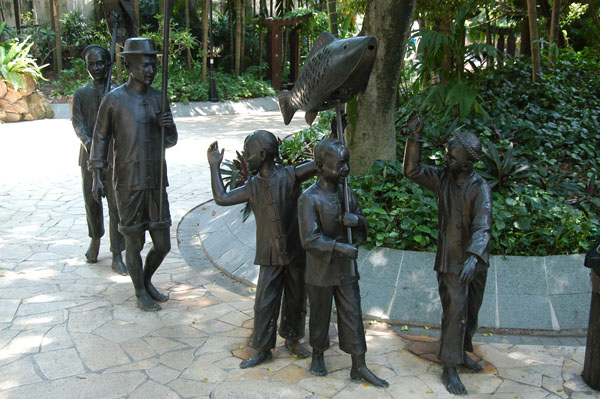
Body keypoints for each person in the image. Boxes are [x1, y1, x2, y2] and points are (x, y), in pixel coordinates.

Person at [207, 130, 314, 368]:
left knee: (297, 298)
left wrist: (338, 133)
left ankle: (293, 338)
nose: (245, 157)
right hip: (269, 254)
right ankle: (264, 348)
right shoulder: (253, 186)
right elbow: (222, 198)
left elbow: (319, 162)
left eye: (248, 153)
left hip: (295, 252)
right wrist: (214, 166)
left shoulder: (291, 176)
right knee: (264, 302)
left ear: (263, 155)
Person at [403, 112, 492, 395]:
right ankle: (449, 367)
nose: (445, 161)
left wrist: (475, 257)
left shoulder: (480, 189)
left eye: (451, 158)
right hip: (450, 262)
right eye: (446, 155)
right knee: (454, 311)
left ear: (467, 162)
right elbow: (412, 170)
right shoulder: (442, 180)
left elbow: (483, 226)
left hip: (474, 263)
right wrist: (415, 136)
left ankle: (461, 352)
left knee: (471, 313)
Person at [90, 37, 177, 312]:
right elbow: (100, 138)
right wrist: (96, 173)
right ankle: (140, 291)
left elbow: (171, 140)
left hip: (155, 180)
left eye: (153, 65)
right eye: (144, 65)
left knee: (162, 243)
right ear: (128, 64)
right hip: (128, 182)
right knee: (133, 241)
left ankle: (146, 279)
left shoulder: (158, 97)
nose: (150, 71)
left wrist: (168, 125)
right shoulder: (113, 100)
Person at [297, 137, 388, 388]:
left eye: (347, 163)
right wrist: (339, 247)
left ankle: (359, 365)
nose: (345, 170)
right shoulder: (309, 198)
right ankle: (317, 353)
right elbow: (309, 239)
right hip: (320, 269)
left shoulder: (347, 193)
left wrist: (357, 221)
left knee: (352, 314)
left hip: (346, 269)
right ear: (320, 165)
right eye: (340, 165)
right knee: (320, 314)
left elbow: (362, 224)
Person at [71, 44, 126, 275]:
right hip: (89, 156)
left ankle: (117, 253)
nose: (96, 68)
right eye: (91, 64)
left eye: (100, 63)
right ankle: (95, 239)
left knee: (116, 205)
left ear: (108, 64)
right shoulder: (81, 94)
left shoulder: (118, 92)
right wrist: (89, 143)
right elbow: (78, 122)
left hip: (113, 156)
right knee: (92, 202)